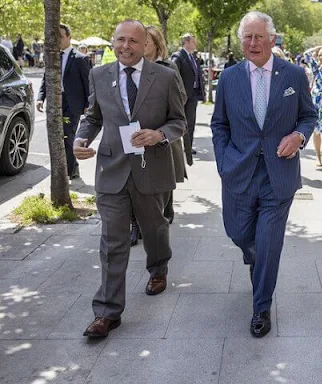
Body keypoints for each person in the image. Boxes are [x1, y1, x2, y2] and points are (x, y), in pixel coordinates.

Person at [74, 19, 186, 338]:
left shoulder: (164, 76)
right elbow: (92, 117)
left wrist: (159, 134)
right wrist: (81, 140)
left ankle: (159, 268)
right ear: (113, 41)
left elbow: (180, 121)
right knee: (112, 240)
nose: (125, 46)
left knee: (154, 229)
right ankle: (107, 312)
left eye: (133, 41)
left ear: (145, 44)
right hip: (112, 171)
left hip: (152, 169)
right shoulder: (99, 74)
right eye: (120, 40)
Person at [211, 11, 316, 338]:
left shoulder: (294, 75)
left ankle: (261, 308)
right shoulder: (228, 78)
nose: (253, 43)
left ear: (273, 39)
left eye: (259, 36)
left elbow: (308, 116)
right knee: (240, 234)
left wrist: (298, 137)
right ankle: (255, 258)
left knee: (269, 243)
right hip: (238, 172)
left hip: (278, 175)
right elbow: (219, 125)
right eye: (247, 37)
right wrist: (223, 162)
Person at [127, 25, 189, 246]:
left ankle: (164, 209)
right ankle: (135, 224)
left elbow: (180, 98)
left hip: (161, 132)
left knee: (162, 177)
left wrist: (160, 125)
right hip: (133, 132)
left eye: (147, 43)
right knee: (133, 179)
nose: (142, 46)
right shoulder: (129, 67)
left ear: (156, 45)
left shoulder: (167, 68)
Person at [37, 24, 91, 180]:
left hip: (73, 104)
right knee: (57, 137)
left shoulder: (81, 59)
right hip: (55, 101)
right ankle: (72, 169)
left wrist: (88, 105)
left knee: (68, 135)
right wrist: (41, 97)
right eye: (54, 37)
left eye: (60, 36)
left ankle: (69, 172)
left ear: (69, 37)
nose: (57, 40)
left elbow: (87, 84)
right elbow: (45, 77)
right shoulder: (51, 56)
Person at [172, 33, 205, 157]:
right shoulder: (178, 56)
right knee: (179, 123)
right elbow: (174, 75)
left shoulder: (193, 57)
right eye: (193, 41)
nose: (195, 44)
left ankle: (188, 148)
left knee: (190, 123)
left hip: (193, 95)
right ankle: (178, 149)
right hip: (183, 96)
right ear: (186, 42)